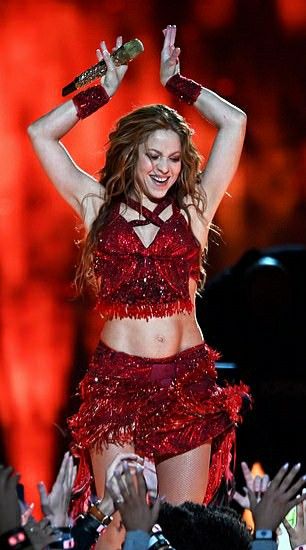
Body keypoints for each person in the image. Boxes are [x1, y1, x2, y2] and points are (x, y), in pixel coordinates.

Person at [27, 23, 249, 521]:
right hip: (117, 382)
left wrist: (178, 82)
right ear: (130, 154)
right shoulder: (97, 204)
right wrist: (100, 92)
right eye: (153, 155)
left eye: (174, 157)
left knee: (182, 528)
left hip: (187, 380)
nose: (164, 168)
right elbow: (40, 133)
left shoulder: (194, 209)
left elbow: (234, 122)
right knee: (118, 526)